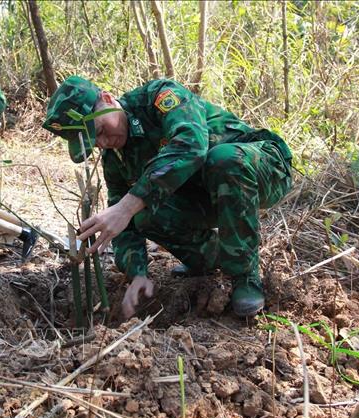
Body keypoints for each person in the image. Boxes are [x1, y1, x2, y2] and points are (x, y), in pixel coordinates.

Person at [42, 76, 292, 319]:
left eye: (99, 130)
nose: (102, 142)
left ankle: (245, 277)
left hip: (261, 168)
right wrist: (136, 272)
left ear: (107, 99)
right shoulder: (115, 158)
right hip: (208, 195)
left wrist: (128, 204)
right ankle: (211, 259)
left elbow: (191, 145)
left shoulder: (159, 97)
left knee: (223, 159)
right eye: (92, 142)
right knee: (146, 214)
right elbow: (124, 225)